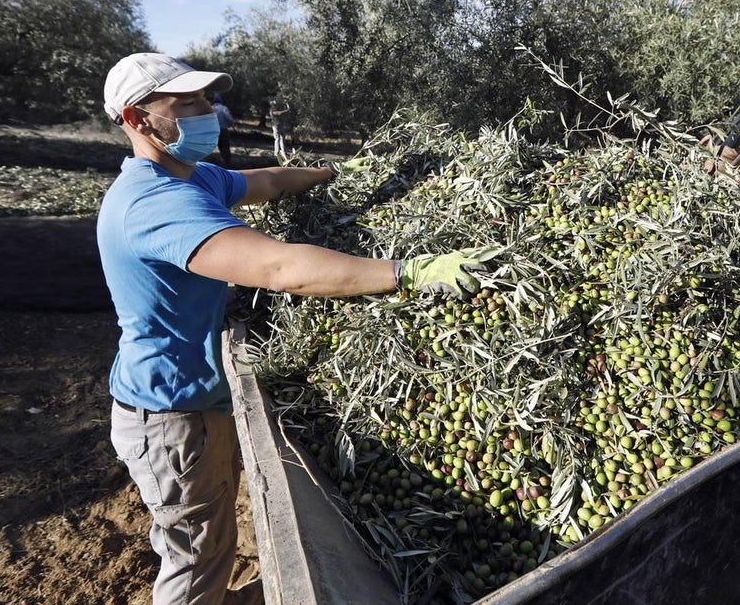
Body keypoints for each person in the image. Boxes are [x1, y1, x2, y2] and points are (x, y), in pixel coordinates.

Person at [97, 52, 494, 605]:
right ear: (138, 120)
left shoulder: (192, 177)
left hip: (196, 401)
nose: (206, 112)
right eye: (186, 103)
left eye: (205, 99)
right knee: (194, 561)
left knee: (211, 538)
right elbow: (283, 269)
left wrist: (338, 173)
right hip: (171, 416)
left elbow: (267, 180)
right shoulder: (155, 203)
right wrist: (411, 271)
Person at [210, 93, 234, 168]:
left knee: (212, 147)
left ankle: (212, 164)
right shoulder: (224, 108)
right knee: (225, 148)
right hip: (223, 130)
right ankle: (227, 164)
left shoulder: (210, 108)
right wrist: (231, 124)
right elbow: (229, 119)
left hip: (213, 131)